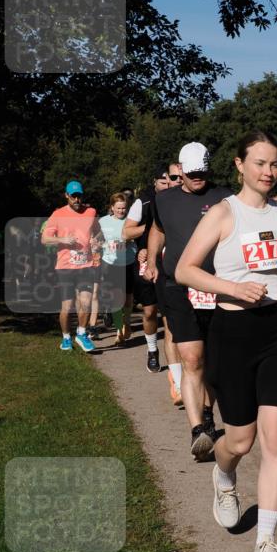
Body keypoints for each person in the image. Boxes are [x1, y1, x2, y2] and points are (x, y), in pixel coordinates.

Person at [176, 130, 277, 552]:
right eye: (260, 163)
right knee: (240, 440)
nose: (269, 172)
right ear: (239, 165)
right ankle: (224, 476)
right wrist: (232, 288)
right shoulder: (222, 213)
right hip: (233, 331)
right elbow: (185, 270)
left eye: (274, 164)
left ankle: (266, 544)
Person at [147, 144, 231, 458]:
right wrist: (152, 259)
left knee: (214, 362)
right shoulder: (163, 199)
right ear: (180, 170)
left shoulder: (225, 198)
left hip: (216, 286)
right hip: (177, 286)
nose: (198, 178)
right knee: (192, 359)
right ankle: (198, 430)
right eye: (192, 173)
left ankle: (208, 413)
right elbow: (157, 230)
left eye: (202, 172)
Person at [123, 162, 178, 387]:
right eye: (163, 182)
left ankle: (177, 365)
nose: (167, 185)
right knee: (149, 311)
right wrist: (151, 231)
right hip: (146, 260)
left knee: (170, 313)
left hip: (172, 262)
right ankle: (152, 349)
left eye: (170, 181)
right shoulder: (143, 201)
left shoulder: (181, 199)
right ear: (154, 182)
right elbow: (126, 232)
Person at [41, 180, 100, 352]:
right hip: (65, 266)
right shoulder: (58, 214)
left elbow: (97, 231)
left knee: (86, 303)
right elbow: (44, 239)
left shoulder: (91, 212)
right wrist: (62, 239)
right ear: (66, 195)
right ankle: (66, 337)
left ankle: (81, 334)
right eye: (73, 196)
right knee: (67, 307)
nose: (76, 199)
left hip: (85, 265)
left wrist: (96, 240)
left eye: (79, 196)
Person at [98, 193, 137, 345]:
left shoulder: (132, 221)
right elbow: (98, 238)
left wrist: (129, 241)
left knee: (128, 297)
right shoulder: (103, 221)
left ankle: (127, 322)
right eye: (119, 208)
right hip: (111, 263)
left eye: (124, 208)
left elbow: (136, 238)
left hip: (129, 262)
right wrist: (96, 243)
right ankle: (119, 331)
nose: (121, 211)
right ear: (112, 207)